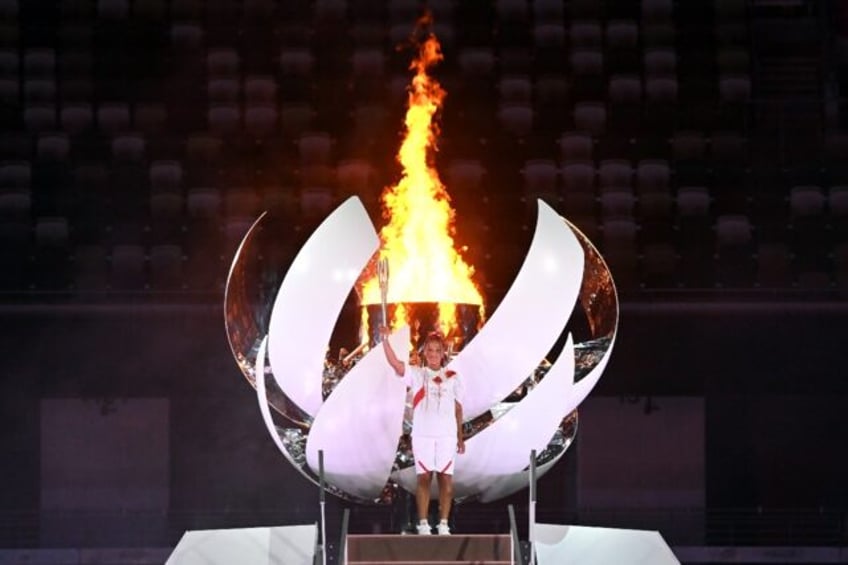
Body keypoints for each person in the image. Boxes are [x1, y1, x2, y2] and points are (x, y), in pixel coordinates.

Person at [380, 326, 465, 535]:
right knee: (424, 479)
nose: (433, 354)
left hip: (446, 435)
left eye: (437, 350)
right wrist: (385, 341)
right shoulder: (417, 375)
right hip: (423, 435)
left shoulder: (453, 376)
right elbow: (395, 364)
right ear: (424, 353)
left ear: (443, 352)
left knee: (446, 479)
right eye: (430, 350)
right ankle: (424, 523)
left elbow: (458, 407)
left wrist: (460, 437)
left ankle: (444, 524)